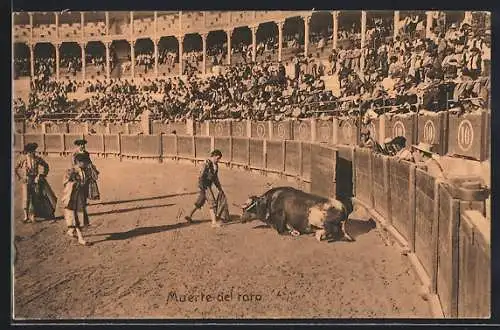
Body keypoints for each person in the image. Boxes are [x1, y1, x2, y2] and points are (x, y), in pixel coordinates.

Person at [15, 143, 56, 222]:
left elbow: (46, 166)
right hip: (26, 180)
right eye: (30, 151)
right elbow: (15, 168)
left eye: (33, 151)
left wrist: (42, 175)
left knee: (34, 198)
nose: (32, 153)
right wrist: (19, 177)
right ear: (27, 152)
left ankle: (33, 215)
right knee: (26, 198)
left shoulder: (37, 159)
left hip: (35, 180)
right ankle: (26, 216)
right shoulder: (23, 159)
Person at [185, 149, 225, 228]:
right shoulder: (206, 163)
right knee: (212, 202)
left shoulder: (216, 165)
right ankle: (214, 223)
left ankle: (189, 215)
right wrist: (202, 186)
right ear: (213, 156)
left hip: (207, 185)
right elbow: (201, 175)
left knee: (200, 202)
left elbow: (215, 178)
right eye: (217, 158)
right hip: (204, 185)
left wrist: (219, 188)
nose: (218, 160)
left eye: (219, 159)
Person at [61, 153, 92, 246]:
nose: (86, 164)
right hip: (72, 197)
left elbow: (87, 182)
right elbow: (65, 182)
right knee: (77, 217)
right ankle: (81, 238)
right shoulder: (71, 171)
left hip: (80, 197)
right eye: (85, 162)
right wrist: (74, 184)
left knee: (77, 216)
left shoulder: (85, 170)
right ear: (79, 162)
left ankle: (71, 231)